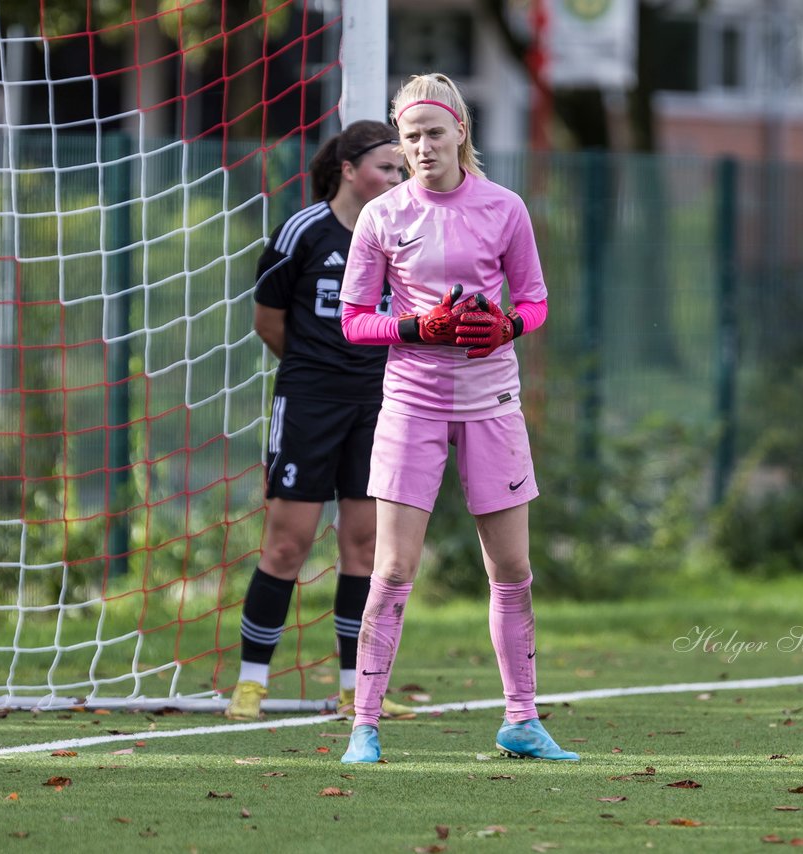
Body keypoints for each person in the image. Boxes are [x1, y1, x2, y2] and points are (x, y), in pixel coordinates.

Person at [335, 73, 578, 763]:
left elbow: (533, 301)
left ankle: (522, 720)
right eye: (409, 137)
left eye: (433, 133)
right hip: (411, 406)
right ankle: (364, 726)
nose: (421, 147)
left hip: (492, 404)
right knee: (391, 569)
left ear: (461, 132)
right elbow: (354, 321)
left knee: (512, 568)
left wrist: (505, 328)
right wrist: (417, 326)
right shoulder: (383, 215)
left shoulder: (504, 208)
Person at [226, 120, 414, 722]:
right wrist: (316, 371)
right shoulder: (303, 232)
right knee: (288, 543)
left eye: (400, 170)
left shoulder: (404, 233)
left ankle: (353, 688)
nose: (395, 178)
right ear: (349, 169)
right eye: (386, 166)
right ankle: (251, 683)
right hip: (308, 404)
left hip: (378, 405)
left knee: (363, 546)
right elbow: (267, 319)